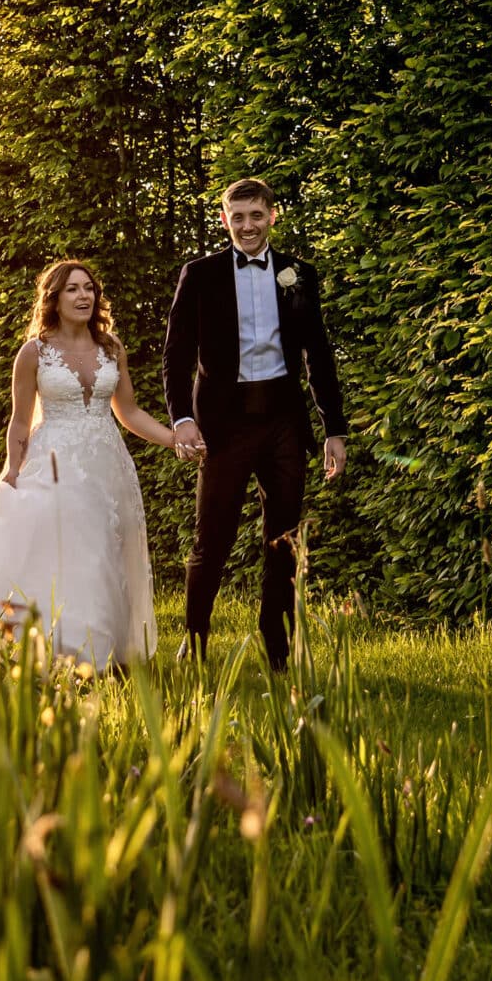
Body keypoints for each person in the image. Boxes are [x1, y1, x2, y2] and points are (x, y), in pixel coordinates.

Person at [0, 259, 185, 667]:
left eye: (88, 288)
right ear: (54, 299)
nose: (83, 296)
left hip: (107, 463)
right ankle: (71, 651)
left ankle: (100, 651)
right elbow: (20, 419)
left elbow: (129, 412)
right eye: (72, 289)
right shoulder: (35, 352)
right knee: (67, 552)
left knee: (104, 556)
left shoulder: (111, 348)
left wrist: (175, 440)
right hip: (54, 461)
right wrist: (13, 469)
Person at [164, 177, 348, 672]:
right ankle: (195, 636)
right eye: (237, 217)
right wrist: (182, 419)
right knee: (213, 536)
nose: (247, 225)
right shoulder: (199, 275)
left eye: (256, 215)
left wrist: (334, 428)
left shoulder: (297, 274)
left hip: (285, 421)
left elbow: (320, 356)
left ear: (272, 215)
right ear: (225, 220)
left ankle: (278, 647)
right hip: (224, 424)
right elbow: (177, 355)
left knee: (284, 538)